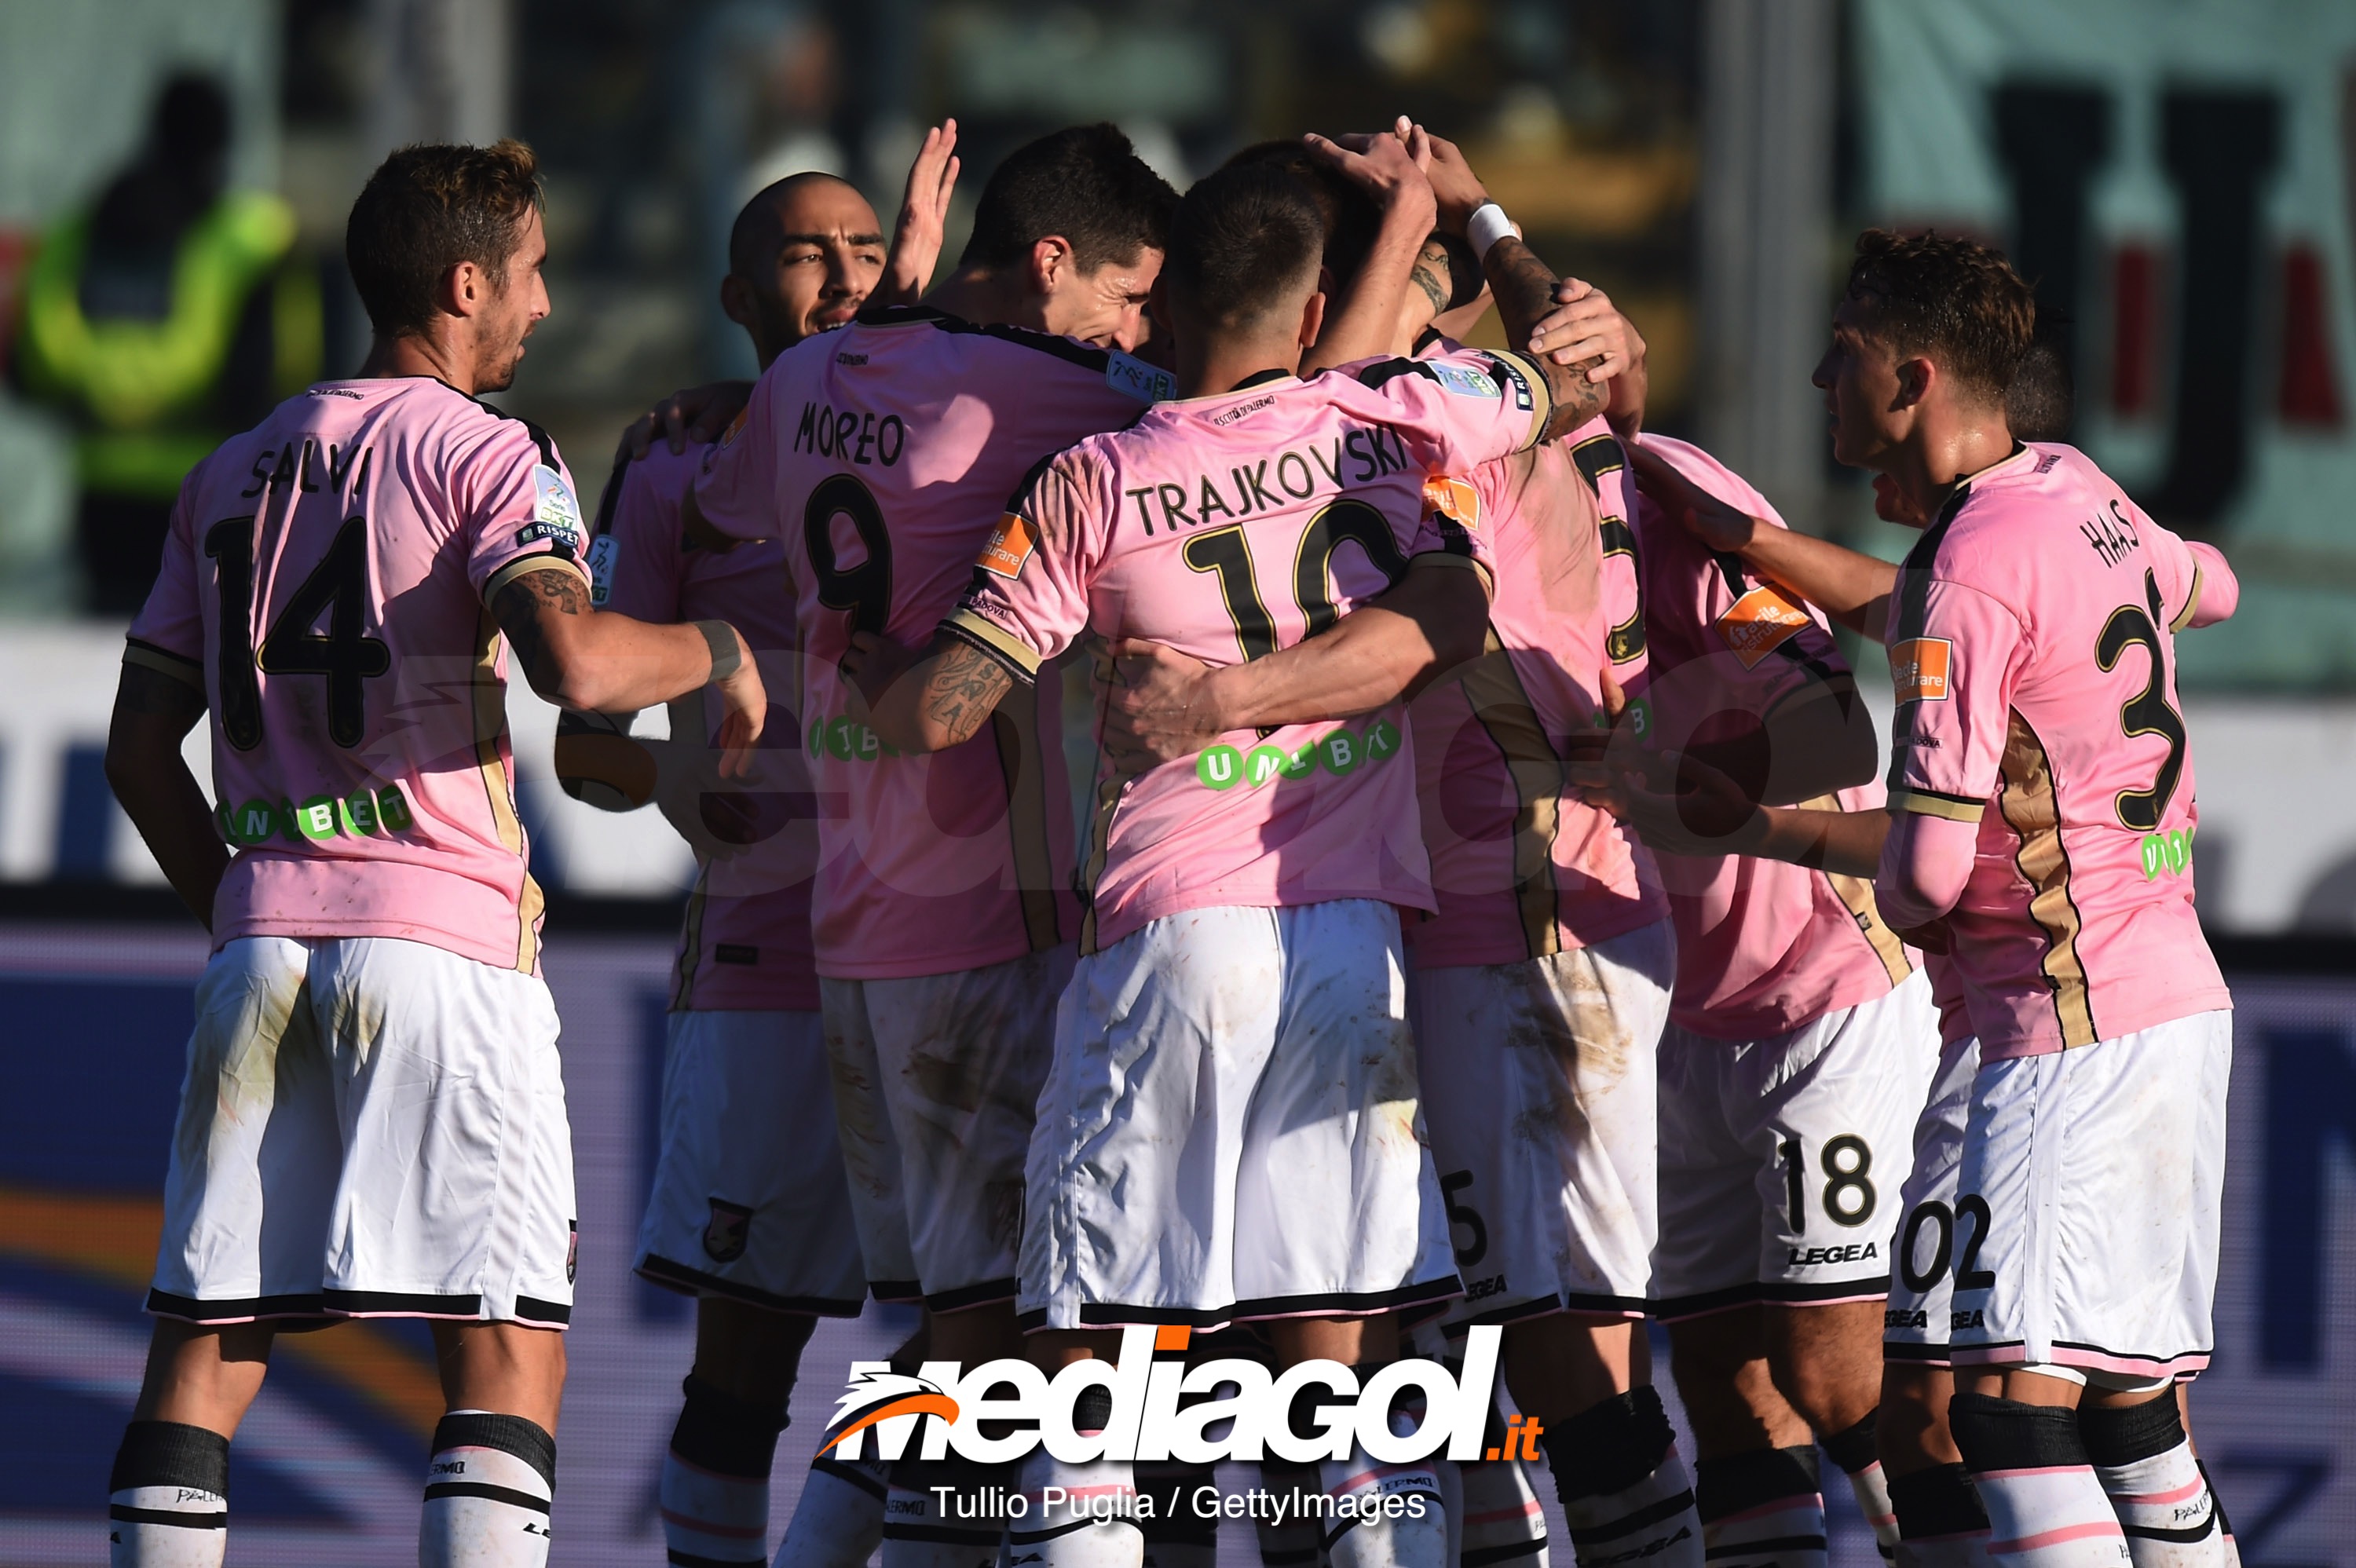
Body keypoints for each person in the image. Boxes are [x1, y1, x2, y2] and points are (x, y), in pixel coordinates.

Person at [855, 135, 1611, 1568]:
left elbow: (945, 708)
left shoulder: (1093, 477)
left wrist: (861, 663)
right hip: (1347, 935)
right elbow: (1573, 390)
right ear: (1315, 317)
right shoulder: (1400, 420)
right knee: (1338, 1343)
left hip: (1170, 932)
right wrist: (1468, 228)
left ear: (1162, 309)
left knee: (1090, 1347)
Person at [97, 140, 766, 1568]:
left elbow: (136, 754)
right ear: (465, 284)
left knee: (207, 1345)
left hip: (260, 938)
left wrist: (243, 905)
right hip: (445, 942)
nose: (541, 305)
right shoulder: (487, 451)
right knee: (504, 1344)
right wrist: (721, 645)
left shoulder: (230, 470)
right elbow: (578, 667)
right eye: (528, 274)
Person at [1093, 127, 1704, 1568]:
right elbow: (1587, 345)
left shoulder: (1408, 428)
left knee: (1564, 1365)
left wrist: (1423, 215)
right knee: (1426, 1351)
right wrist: (1475, 207)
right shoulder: (1539, 391)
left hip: (1531, 924)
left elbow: (1304, 400)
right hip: (1457, 921)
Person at [1611, 231, 2241, 1568]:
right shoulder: (2077, 490)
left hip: (2054, 1033)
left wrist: (1772, 824)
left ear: (1911, 379)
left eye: (1843, 356)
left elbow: (1928, 875)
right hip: (2172, 999)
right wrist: (1766, 544)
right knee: (2116, 1415)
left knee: (2000, 1412)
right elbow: (2207, 584)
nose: (1820, 378)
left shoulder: (1966, 576)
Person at [680, 122, 1179, 1568]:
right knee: (1034, 1333)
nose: (1136, 326)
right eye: (1129, 293)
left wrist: (894, 315)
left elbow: (758, 480)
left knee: (955, 1332)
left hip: (859, 910)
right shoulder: (1070, 396)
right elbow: (1225, 408)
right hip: (993, 913)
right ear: (1053, 265)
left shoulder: (796, 382)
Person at [557, 136, 957, 1568]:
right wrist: (674, 782)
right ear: (738, 291)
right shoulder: (672, 457)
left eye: (867, 249)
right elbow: (584, 744)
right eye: (808, 251)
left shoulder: (960, 417)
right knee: (744, 1360)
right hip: (768, 949)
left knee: (976, 1339)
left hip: (950, 935)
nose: (844, 273)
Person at [14, 72, 324, 612]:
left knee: (106, 658)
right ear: (225, 141)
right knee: (203, 655)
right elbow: (289, 362)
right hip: (212, 481)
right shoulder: (255, 237)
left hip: (101, 479)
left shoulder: (87, 225)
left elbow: (35, 342)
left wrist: (99, 394)